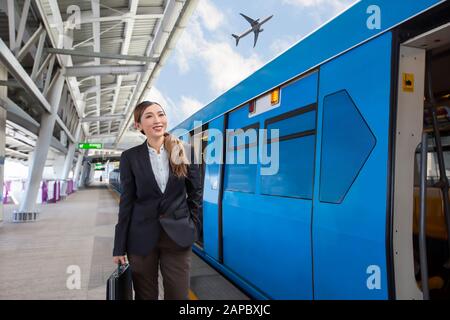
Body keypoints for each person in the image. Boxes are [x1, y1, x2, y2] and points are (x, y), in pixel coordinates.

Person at [112, 101, 202, 300]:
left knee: (178, 296)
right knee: (145, 296)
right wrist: (119, 245)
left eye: (160, 114)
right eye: (149, 116)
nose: (157, 120)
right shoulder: (130, 157)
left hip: (177, 237)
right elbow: (126, 202)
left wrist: (193, 228)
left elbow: (196, 194)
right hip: (140, 238)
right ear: (139, 125)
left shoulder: (185, 151)